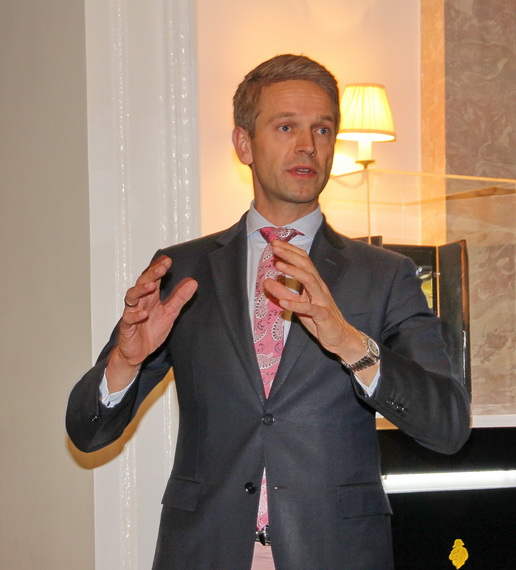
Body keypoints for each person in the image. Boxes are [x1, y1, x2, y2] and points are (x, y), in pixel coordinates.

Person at [66, 54, 471, 569]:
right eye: (286, 127)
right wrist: (125, 363)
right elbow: (87, 431)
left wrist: (350, 343)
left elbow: (449, 425)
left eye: (322, 129)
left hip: (335, 552)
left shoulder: (385, 274)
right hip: (206, 550)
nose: (308, 146)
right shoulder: (184, 269)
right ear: (244, 144)